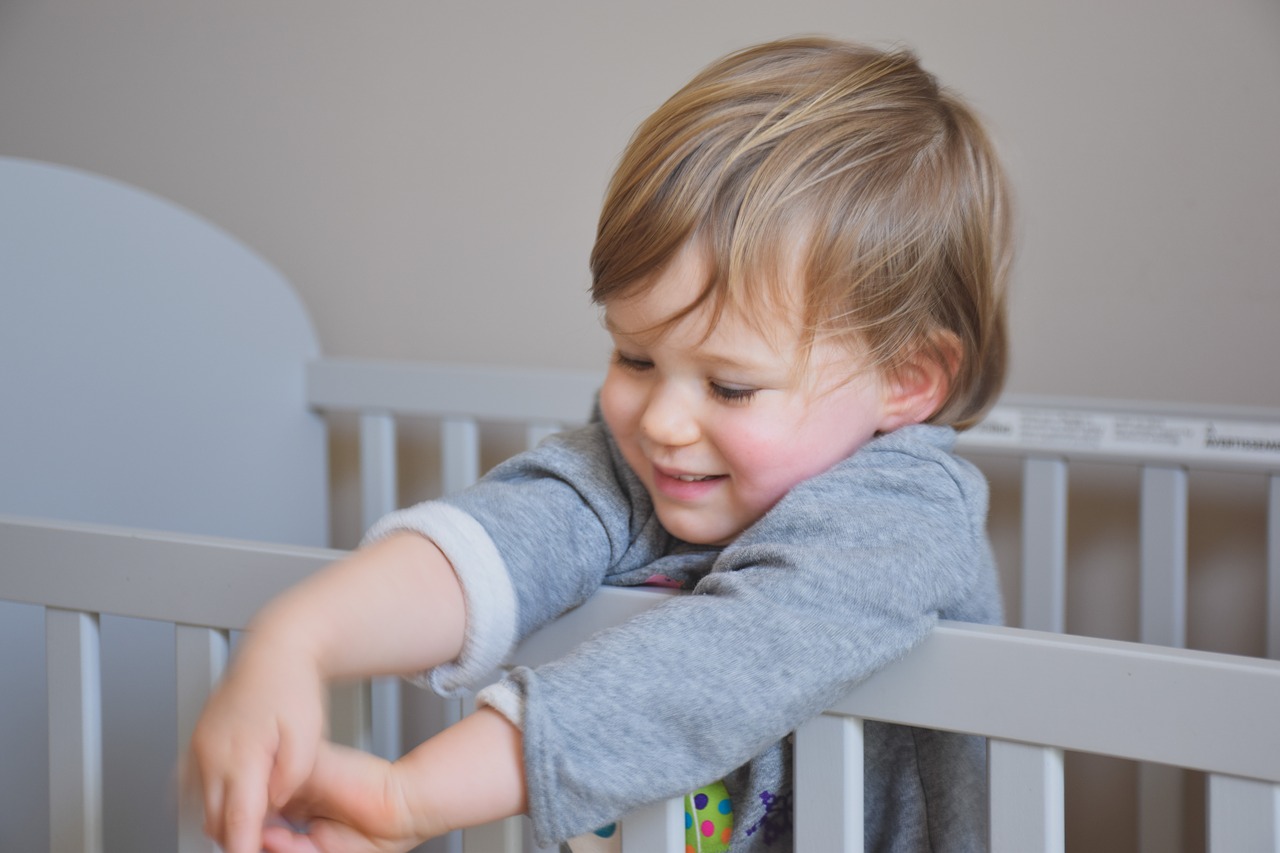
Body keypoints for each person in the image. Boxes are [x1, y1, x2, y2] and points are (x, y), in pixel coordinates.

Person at [189, 35, 1013, 853]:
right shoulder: (650, 469)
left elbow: (715, 670)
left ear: (906, 380)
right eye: (635, 357)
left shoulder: (903, 519)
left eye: (729, 386)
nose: (661, 420)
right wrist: (297, 638)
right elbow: (506, 537)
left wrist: (411, 795)